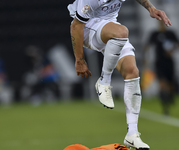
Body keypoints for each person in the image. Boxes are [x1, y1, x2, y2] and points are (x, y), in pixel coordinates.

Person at [67, 0, 171, 149]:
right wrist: (79, 60)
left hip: (110, 27)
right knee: (121, 31)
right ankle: (104, 81)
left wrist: (151, 8)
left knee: (132, 72)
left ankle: (132, 135)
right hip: (88, 28)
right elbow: (76, 26)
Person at [143, 21, 179, 116]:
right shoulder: (154, 34)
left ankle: (170, 97)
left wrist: (172, 50)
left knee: (170, 84)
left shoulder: (171, 34)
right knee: (162, 84)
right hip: (159, 62)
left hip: (169, 62)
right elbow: (147, 46)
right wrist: (145, 58)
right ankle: (165, 107)